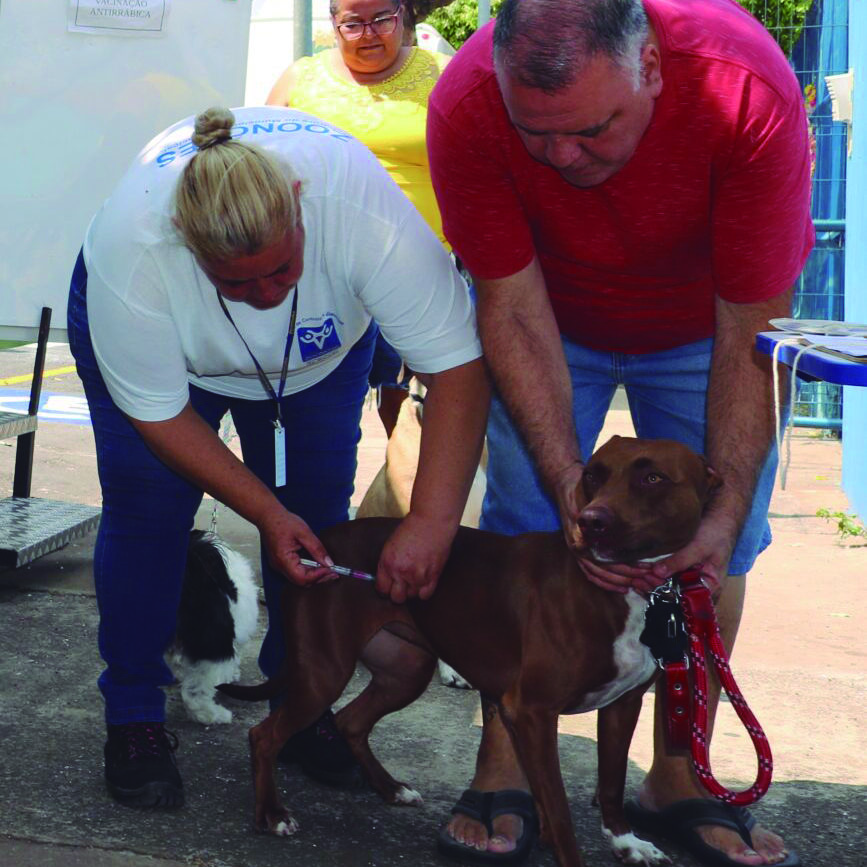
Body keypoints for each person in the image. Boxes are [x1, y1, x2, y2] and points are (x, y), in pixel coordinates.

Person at [427, 1, 811, 865]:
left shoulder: (742, 88)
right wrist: (569, 470)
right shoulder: (466, 104)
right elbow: (509, 304)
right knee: (530, 520)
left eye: (590, 130)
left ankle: (680, 774)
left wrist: (727, 500)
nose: (561, 158)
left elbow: (751, 319)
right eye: (538, 135)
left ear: (648, 67)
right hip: (548, 313)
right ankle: (506, 759)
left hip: (704, 319)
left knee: (719, 544)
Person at [68, 104, 488, 808]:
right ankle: (133, 711)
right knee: (148, 514)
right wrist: (264, 510)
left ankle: (298, 703)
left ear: (301, 208)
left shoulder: (360, 210)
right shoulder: (134, 245)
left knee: (317, 520)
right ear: (185, 243)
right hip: (171, 372)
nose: (265, 296)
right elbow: (160, 416)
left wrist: (432, 520)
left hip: (318, 362)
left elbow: (457, 368)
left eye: (282, 270)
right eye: (236, 283)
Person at [267, 0, 453, 436]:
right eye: (353, 24)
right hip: (317, 276)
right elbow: (261, 164)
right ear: (333, 23)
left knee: (418, 407)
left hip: (419, 272)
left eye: (381, 20)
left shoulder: (445, 73)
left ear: (402, 14)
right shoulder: (301, 77)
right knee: (322, 411)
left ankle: (422, 497)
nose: (369, 33)